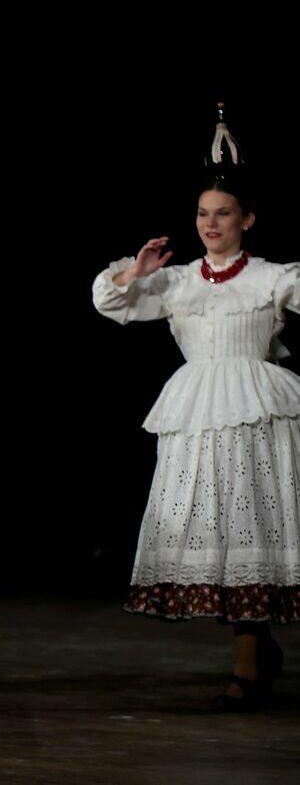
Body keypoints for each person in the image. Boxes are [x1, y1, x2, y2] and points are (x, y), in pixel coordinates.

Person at [91, 107, 295, 711]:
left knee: (252, 524)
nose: (211, 223)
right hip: (198, 416)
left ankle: (249, 662)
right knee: (217, 529)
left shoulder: (270, 277)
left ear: (247, 219)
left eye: (223, 213)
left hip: (257, 412)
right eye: (203, 213)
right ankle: (256, 650)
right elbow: (110, 302)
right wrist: (136, 271)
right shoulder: (176, 281)